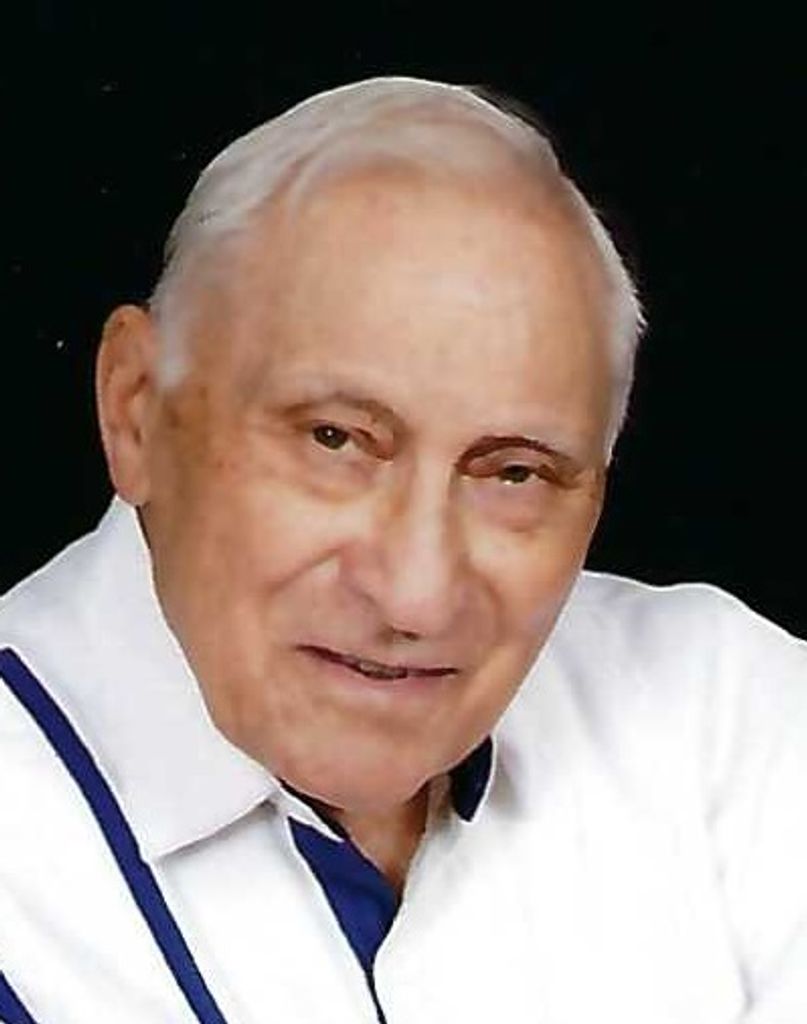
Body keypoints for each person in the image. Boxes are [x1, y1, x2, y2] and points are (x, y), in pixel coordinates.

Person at [0, 76, 804, 1024]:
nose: (415, 596)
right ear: (136, 410)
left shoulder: (725, 716)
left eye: (514, 473)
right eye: (335, 440)